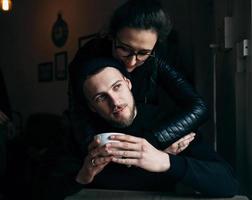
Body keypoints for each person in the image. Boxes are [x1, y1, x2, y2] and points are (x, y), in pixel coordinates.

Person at [44, 57, 238, 200]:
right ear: (91, 107)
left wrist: (165, 161)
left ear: (128, 84)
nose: (115, 102)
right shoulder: (83, 133)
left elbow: (227, 183)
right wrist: (83, 175)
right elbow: (45, 190)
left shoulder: (167, 121)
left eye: (117, 87)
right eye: (101, 98)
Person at [69, 0, 208, 150]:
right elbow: (79, 117)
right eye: (124, 49)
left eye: (143, 53)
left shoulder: (156, 58)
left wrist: (150, 143)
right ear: (112, 36)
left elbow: (198, 107)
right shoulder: (88, 57)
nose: (131, 62)